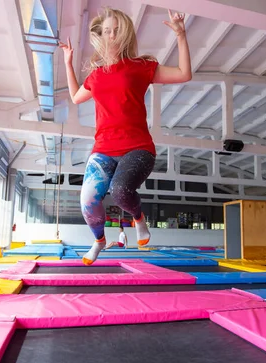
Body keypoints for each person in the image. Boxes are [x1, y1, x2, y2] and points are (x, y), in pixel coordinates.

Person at [59, 7, 192, 265]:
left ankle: (139, 218)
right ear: (101, 35)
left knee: (120, 191)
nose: (111, 35)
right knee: (87, 200)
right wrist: (67, 63)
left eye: (117, 30)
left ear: (125, 35)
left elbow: (184, 73)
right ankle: (99, 241)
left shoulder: (141, 67)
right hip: (103, 149)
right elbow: (76, 97)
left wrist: (181, 36)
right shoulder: (96, 76)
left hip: (138, 148)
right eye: (107, 31)